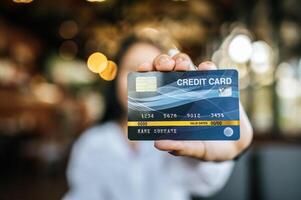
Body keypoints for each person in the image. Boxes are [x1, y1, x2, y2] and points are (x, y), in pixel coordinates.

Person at [63, 33, 253, 200]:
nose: (145, 82)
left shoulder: (182, 134)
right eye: (133, 71)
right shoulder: (92, 143)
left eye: (156, 75)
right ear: (116, 78)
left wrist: (223, 142)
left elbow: (205, 183)